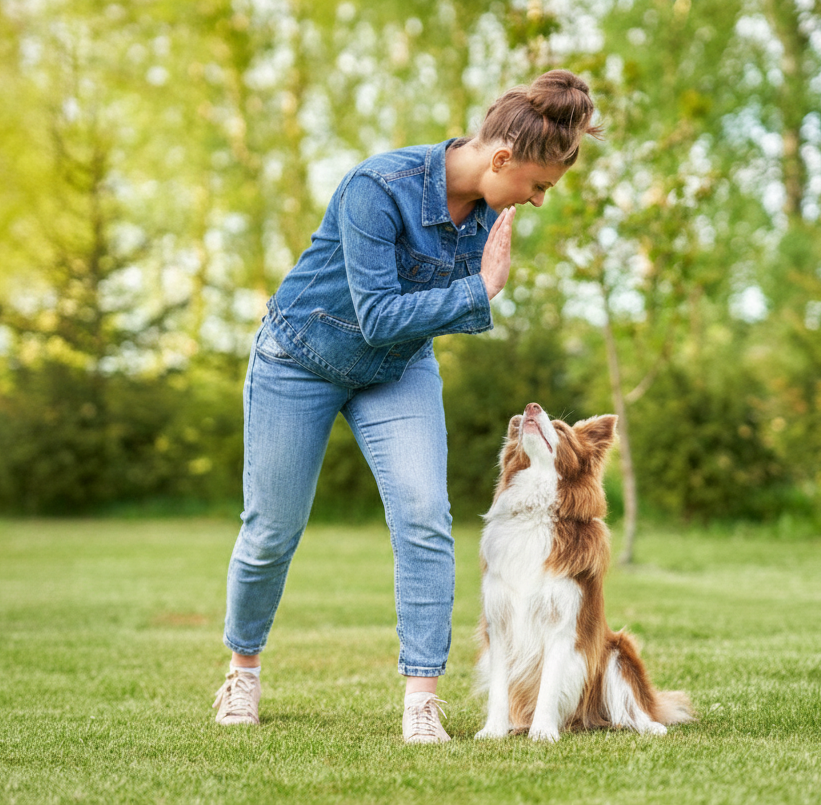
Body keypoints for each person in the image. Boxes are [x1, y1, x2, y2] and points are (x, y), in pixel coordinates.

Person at [212, 69, 602, 743]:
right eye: (537, 186)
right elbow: (376, 315)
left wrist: (478, 289)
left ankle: (421, 699)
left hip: (396, 370)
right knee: (271, 531)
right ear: (502, 159)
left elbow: (401, 330)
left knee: (425, 516)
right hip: (298, 358)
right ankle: (242, 673)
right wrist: (481, 290)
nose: (537, 201)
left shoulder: (490, 212)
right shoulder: (378, 188)